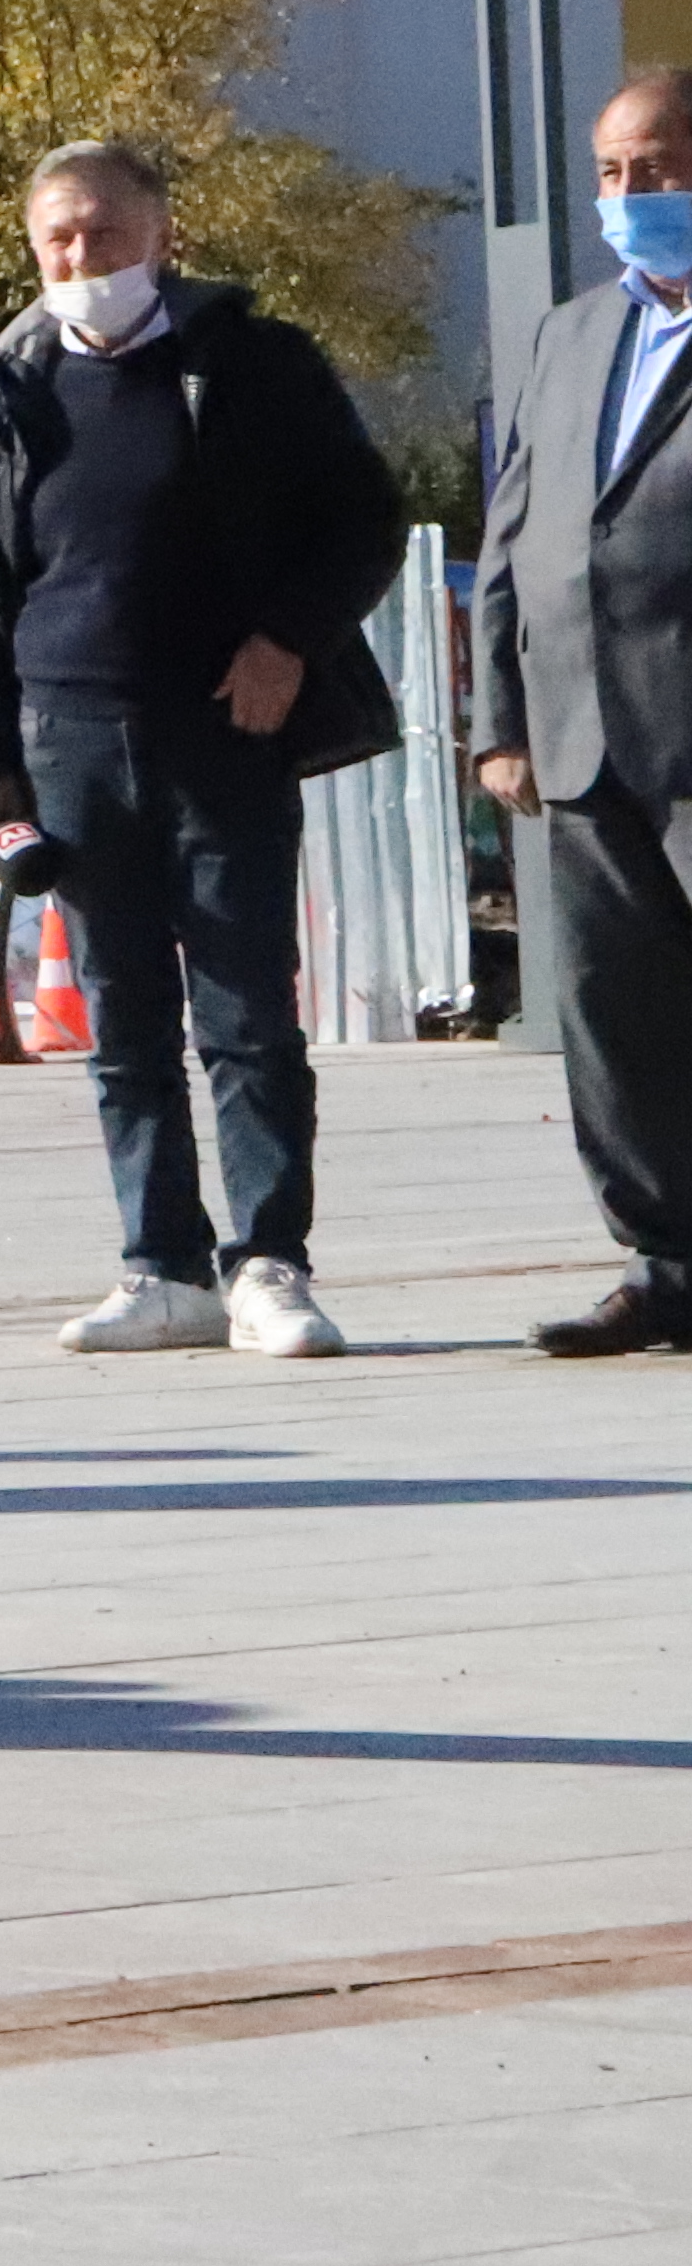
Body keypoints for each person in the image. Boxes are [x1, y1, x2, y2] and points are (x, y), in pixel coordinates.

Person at [0, 139, 405, 1359]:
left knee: (248, 1013)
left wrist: (286, 639)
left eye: (104, 233)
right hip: (70, 745)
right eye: (59, 240)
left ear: (161, 235)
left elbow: (363, 515)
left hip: (223, 735)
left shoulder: (252, 363)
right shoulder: (2, 396)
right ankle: (162, 1265)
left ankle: (268, 1264)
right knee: (124, 1023)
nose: (82, 260)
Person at [473, 67, 692, 1358]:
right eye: (610, 174)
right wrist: (502, 716)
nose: (630, 196)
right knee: (615, 1019)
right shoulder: (569, 338)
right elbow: (520, 534)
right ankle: (664, 1262)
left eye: (657, 169)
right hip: (585, 737)